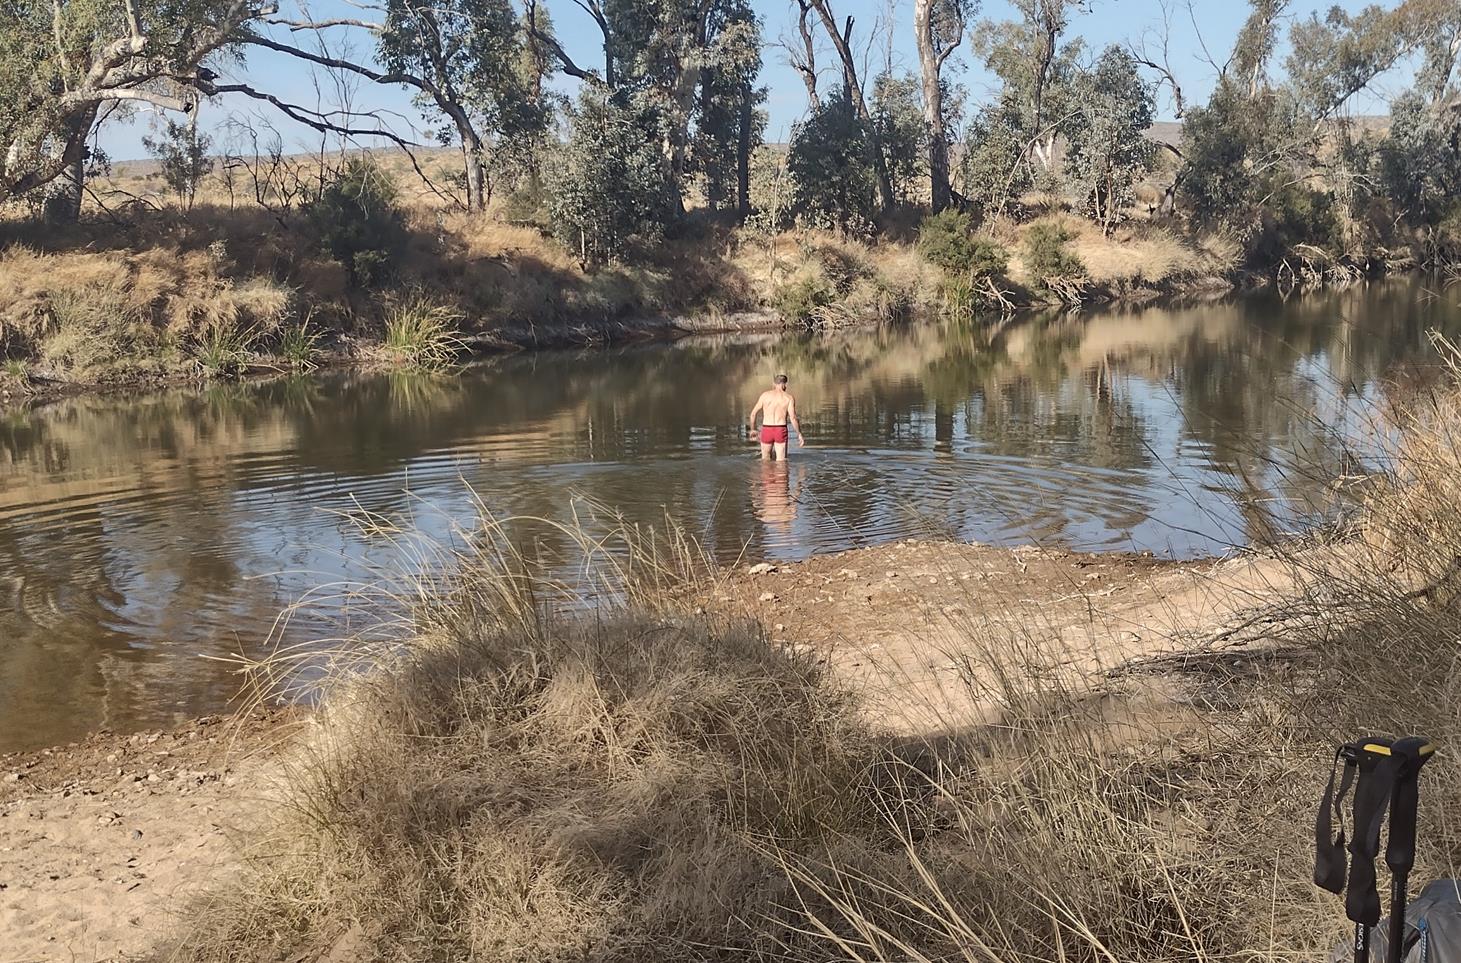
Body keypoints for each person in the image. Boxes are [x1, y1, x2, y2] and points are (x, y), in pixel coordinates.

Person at [748, 373, 803, 460]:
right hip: (780, 430)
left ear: (774, 384)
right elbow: (793, 418)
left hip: (766, 429)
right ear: (785, 384)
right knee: (781, 462)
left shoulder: (765, 395)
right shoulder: (788, 398)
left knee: (765, 460)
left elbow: (753, 414)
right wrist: (799, 434)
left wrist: (752, 429)